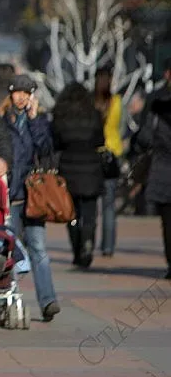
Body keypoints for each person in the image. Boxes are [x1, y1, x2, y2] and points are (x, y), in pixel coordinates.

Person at [0, 75, 61, 321]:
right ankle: (6, 299)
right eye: (17, 92)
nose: (22, 97)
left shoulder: (41, 120)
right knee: (8, 249)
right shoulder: (2, 120)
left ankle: (48, 301)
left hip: (33, 196)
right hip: (10, 195)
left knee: (38, 248)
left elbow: (46, 149)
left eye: (27, 93)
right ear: (10, 94)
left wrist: (35, 120)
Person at [52, 82, 105, 268]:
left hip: (68, 168)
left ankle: (77, 249)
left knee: (71, 213)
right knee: (90, 212)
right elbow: (100, 139)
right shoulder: (94, 114)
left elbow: (55, 141)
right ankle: (88, 244)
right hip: (91, 167)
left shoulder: (60, 115)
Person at [134, 60, 171, 278]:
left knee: (167, 220)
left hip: (163, 166)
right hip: (163, 167)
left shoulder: (156, 99)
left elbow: (145, 136)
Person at [94, 68, 123, 257]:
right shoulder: (116, 101)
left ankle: (90, 239)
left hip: (94, 153)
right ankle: (108, 246)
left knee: (91, 204)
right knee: (109, 204)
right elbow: (119, 124)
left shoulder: (91, 102)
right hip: (112, 152)